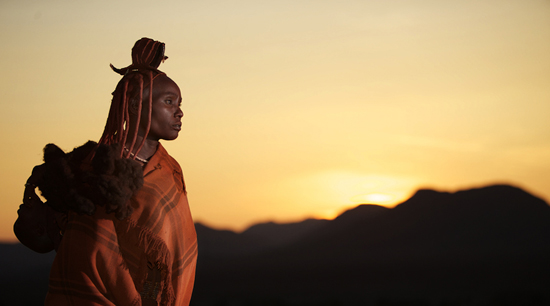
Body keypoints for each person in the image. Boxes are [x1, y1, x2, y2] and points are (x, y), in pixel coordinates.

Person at [13, 38, 197, 306]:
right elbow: (82, 250)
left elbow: (178, 250)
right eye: (169, 102)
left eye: (179, 103)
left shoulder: (170, 171)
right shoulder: (91, 168)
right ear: (136, 105)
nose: (179, 112)